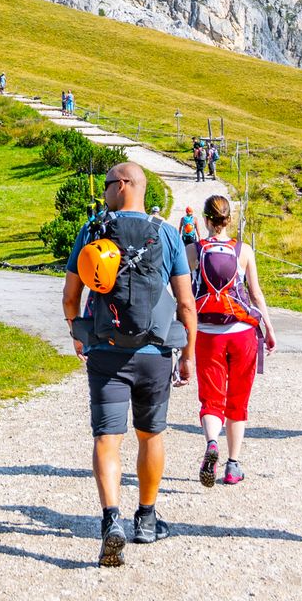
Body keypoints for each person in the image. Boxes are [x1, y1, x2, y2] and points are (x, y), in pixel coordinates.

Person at [62, 162, 198, 566]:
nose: (104, 192)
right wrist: (188, 353)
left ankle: (110, 521)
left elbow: (71, 295)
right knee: (150, 435)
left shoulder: (92, 230)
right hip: (155, 353)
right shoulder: (169, 234)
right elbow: (187, 303)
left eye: (107, 185)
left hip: (105, 351)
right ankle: (147, 518)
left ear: (122, 185)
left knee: (107, 438)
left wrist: (78, 332)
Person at [190, 194, 273, 486]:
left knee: (211, 399)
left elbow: (183, 291)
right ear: (228, 220)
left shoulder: (195, 250)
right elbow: (255, 294)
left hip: (208, 334)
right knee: (238, 400)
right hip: (243, 333)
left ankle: (212, 442)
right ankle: (233, 465)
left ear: (206, 219)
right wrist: (269, 328)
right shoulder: (244, 250)